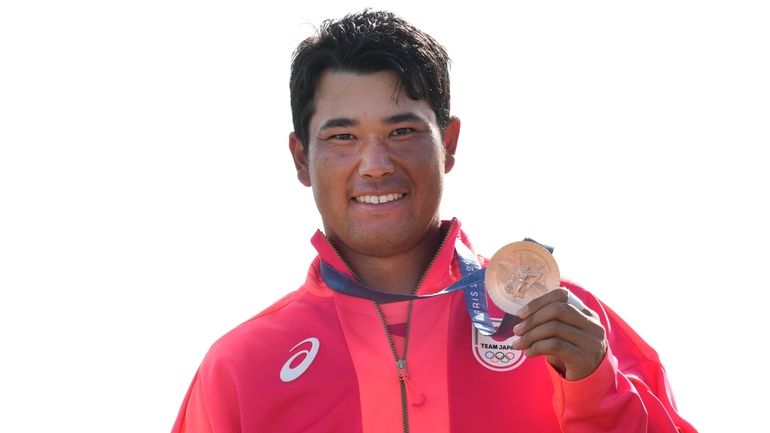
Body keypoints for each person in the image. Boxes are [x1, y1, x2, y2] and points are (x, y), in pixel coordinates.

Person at [171, 9, 697, 433]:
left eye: (402, 131)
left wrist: (595, 388)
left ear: (448, 144)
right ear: (299, 159)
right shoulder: (239, 368)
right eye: (342, 137)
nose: (375, 165)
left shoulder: (567, 327)